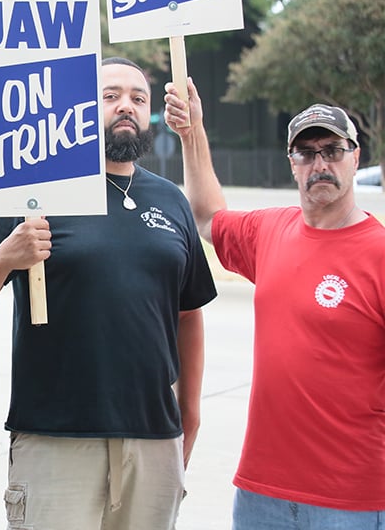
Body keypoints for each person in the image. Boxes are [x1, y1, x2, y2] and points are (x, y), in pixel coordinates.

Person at [0, 57, 217, 530]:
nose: (126, 107)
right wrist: (8, 255)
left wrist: (188, 417)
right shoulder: (34, 190)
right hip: (56, 438)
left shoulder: (169, 199)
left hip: (153, 439)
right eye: (110, 96)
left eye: (138, 98)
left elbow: (188, 313)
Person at [165, 81, 385, 527]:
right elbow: (207, 216)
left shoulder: (378, 254)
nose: (320, 163)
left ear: (355, 156)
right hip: (260, 494)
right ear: (292, 164)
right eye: (306, 153)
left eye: (332, 150)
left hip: (351, 500)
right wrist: (194, 132)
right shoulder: (270, 231)